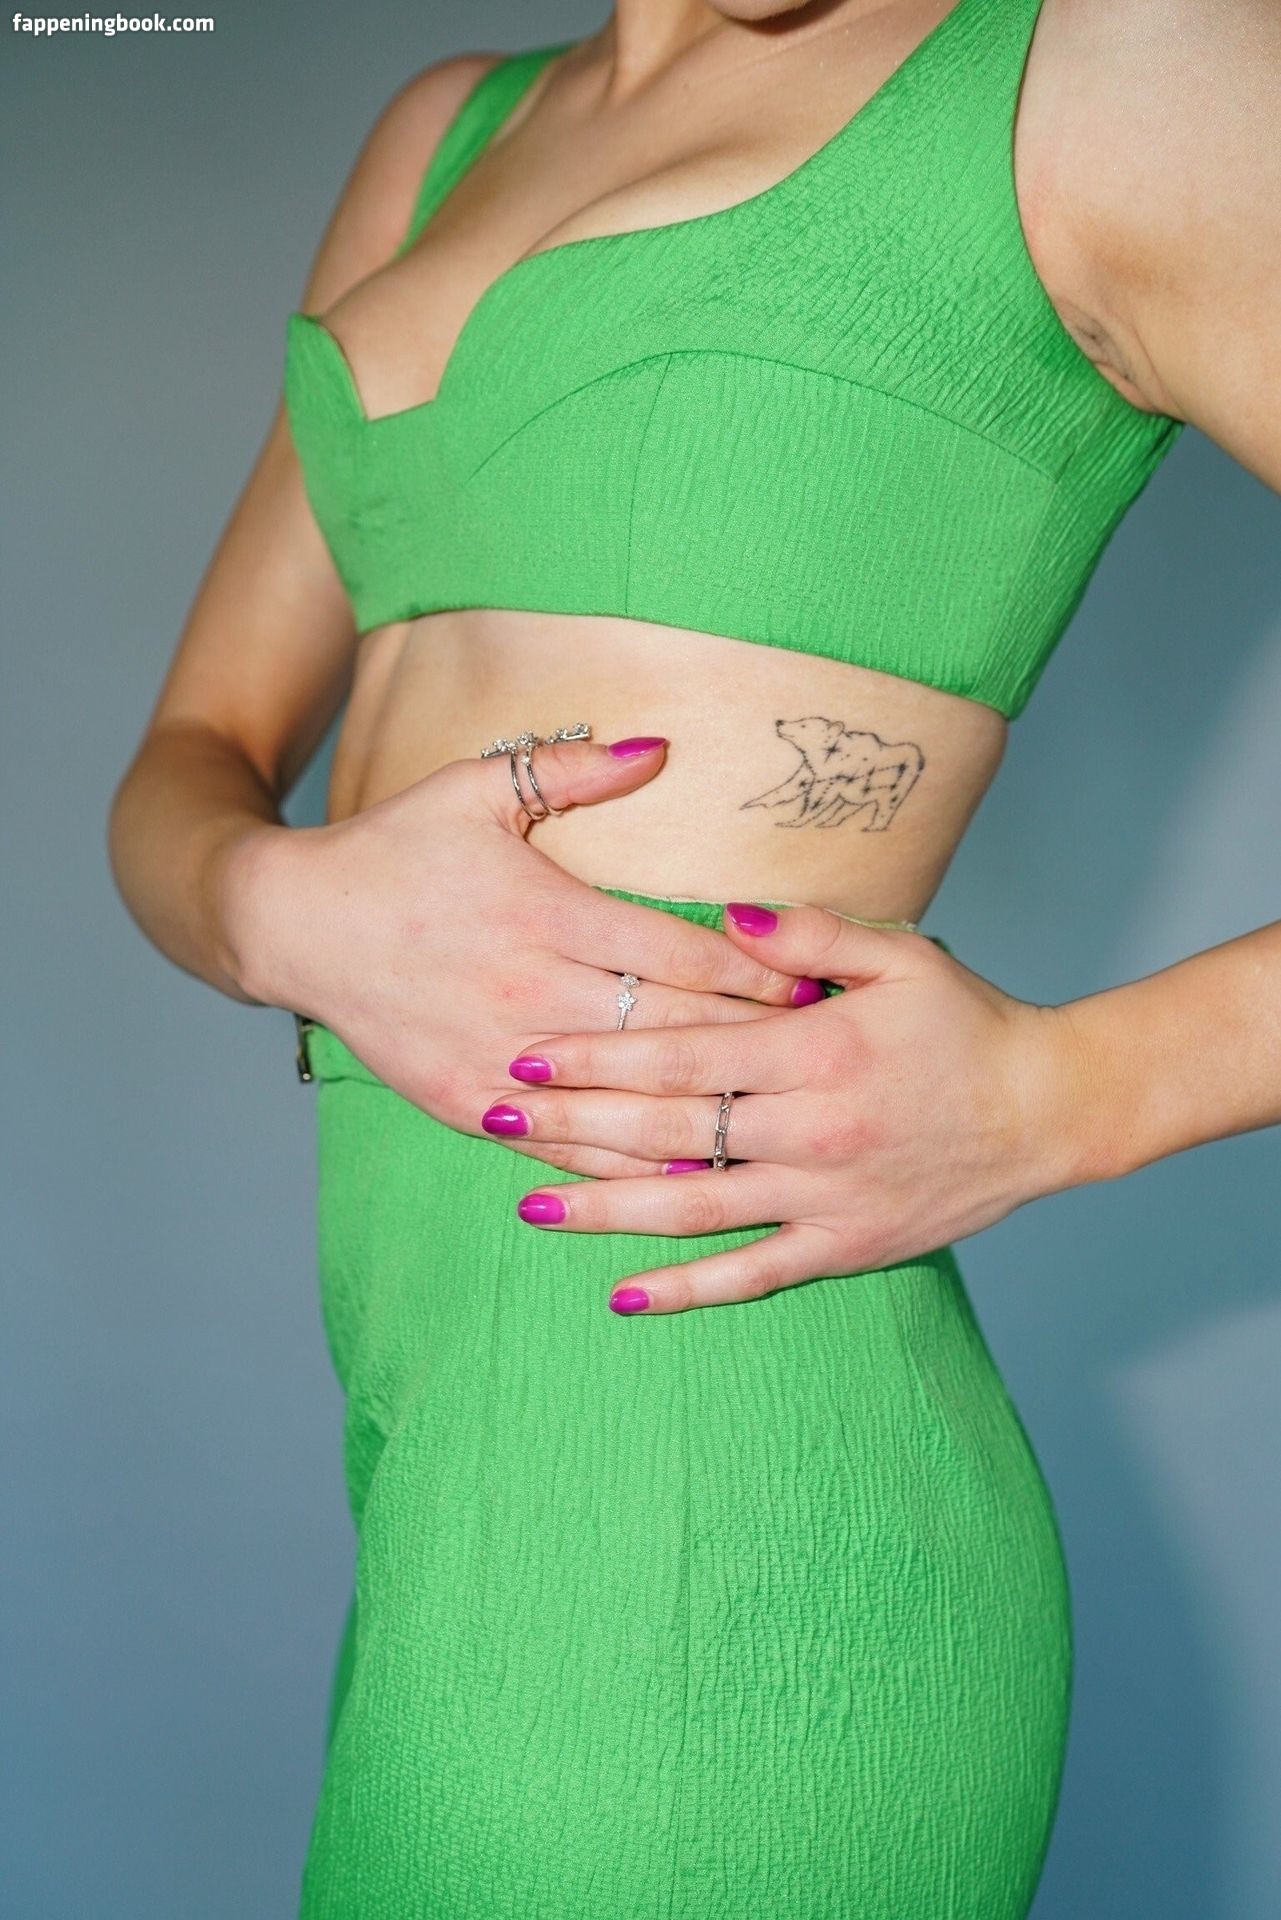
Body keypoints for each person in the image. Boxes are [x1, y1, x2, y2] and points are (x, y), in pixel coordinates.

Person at [107, 0, 1280, 1913]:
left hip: (725, 1480)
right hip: (440, 1454)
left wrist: (1066, 1093)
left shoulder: (1112, 67)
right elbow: (190, 754)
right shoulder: (442, 132)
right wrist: (267, 904)